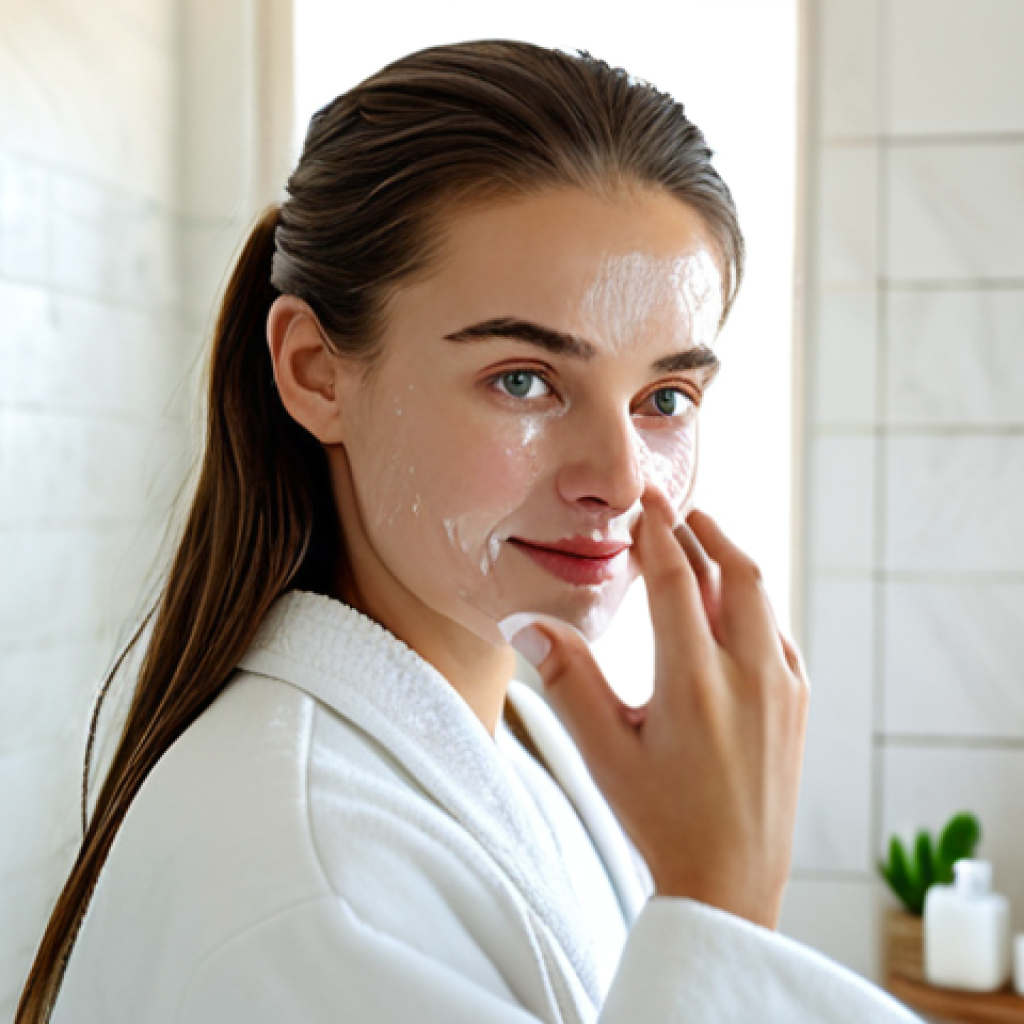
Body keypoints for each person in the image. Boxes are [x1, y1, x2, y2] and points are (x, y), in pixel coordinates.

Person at [17, 40, 919, 1024]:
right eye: (524, 380)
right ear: (317, 371)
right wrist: (720, 904)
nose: (618, 480)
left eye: (664, 396)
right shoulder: (308, 889)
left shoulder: (521, 738)